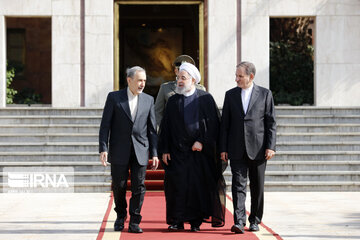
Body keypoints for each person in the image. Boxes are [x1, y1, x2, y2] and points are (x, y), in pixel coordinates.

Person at [159, 62, 226, 232]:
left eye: (183, 78)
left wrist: (202, 141)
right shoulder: (173, 100)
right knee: (177, 187)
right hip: (177, 153)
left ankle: (195, 222)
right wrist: (165, 149)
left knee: (197, 187)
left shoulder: (205, 98)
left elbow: (214, 125)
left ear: (193, 80)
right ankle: (177, 221)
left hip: (198, 154)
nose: (179, 81)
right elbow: (165, 127)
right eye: (178, 78)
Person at [99, 66, 159, 234]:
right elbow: (105, 125)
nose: (142, 84)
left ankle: (134, 220)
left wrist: (154, 153)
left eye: (145, 81)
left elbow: (152, 130)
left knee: (139, 187)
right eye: (139, 80)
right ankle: (120, 216)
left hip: (141, 149)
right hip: (119, 149)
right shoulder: (114, 98)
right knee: (119, 185)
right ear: (129, 80)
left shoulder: (148, 100)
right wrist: (103, 148)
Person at [219, 61, 276, 234]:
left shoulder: (265, 94)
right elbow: (225, 124)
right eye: (236, 75)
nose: (236, 79)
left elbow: (271, 122)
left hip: (258, 149)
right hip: (236, 148)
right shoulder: (230, 95)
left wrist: (270, 146)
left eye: (240, 76)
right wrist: (223, 148)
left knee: (257, 187)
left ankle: (255, 220)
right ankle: (239, 221)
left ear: (251, 76)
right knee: (238, 186)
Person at [155, 55, 206, 128]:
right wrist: (162, 129)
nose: (183, 72)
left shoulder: (200, 90)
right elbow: (157, 112)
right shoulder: (165, 88)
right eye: (181, 70)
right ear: (176, 71)